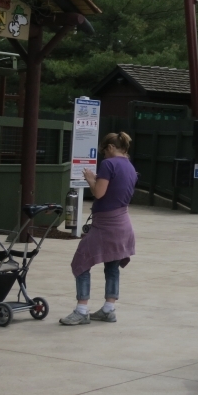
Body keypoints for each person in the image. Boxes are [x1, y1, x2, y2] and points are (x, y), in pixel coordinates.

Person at [60, 132, 137, 326]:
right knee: (112, 266)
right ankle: (108, 309)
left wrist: (89, 179)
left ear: (110, 147)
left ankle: (81, 310)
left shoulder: (108, 164)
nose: (104, 155)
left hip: (106, 225)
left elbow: (99, 193)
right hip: (123, 223)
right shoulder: (130, 166)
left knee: (81, 262)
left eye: (104, 151)